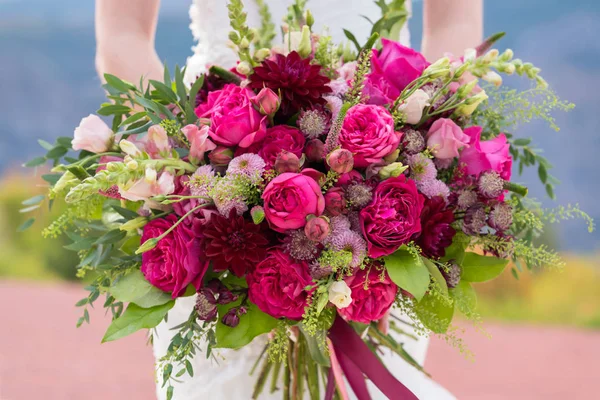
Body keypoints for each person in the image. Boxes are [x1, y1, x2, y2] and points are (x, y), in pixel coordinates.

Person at [95, 1, 483, 399]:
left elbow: (456, 19)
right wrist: (182, 151)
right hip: (208, 162)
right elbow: (123, 31)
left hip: (389, 151)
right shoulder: (201, 167)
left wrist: (422, 130)